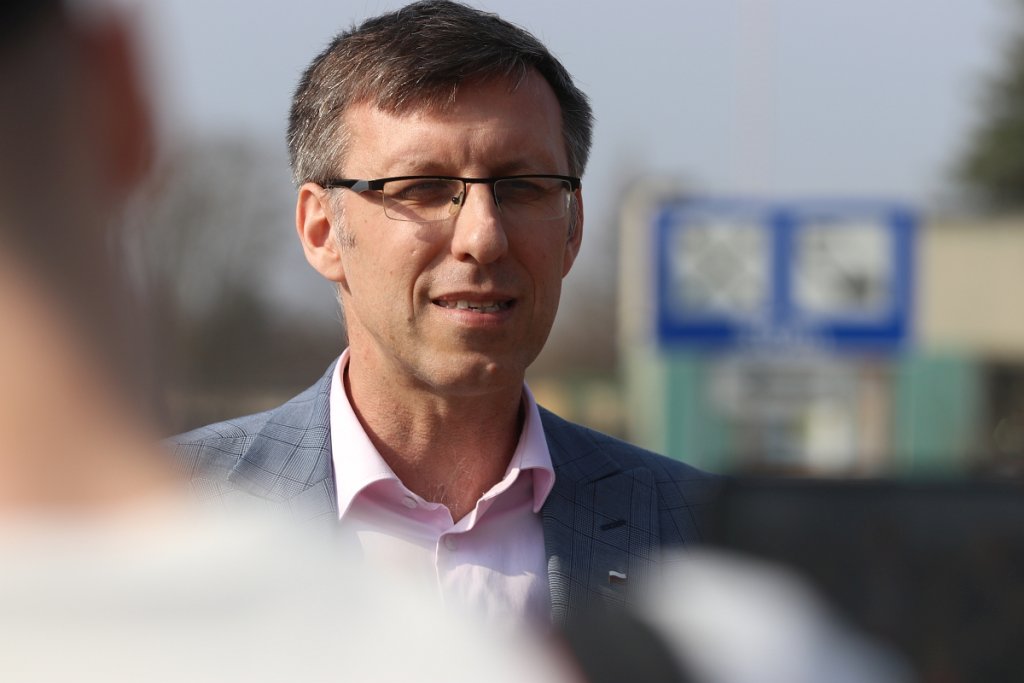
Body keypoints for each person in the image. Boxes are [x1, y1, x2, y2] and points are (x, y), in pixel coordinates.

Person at [174, 0, 719, 626]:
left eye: (523, 187)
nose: (483, 237)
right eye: (424, 189)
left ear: (573, 230)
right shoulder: (160, 520)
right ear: (322, 231)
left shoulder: (698, 537)